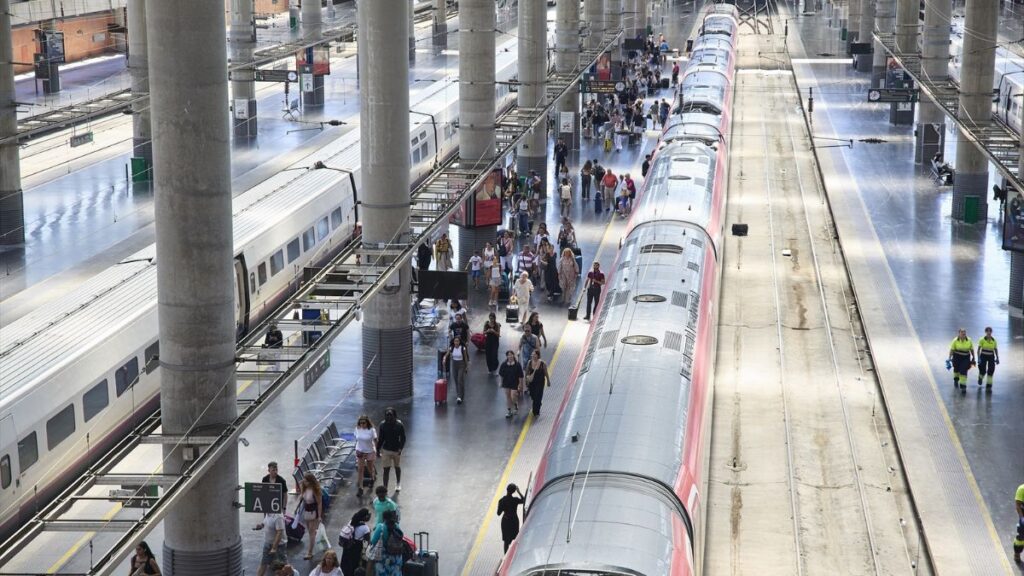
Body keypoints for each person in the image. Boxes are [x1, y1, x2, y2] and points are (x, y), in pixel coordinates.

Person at [377, 408, 406, 492]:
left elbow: (403, 438)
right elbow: (381, 438)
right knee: (386, 469)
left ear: (395, 416)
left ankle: (398, 483)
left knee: (397, 466)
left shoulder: (399, 425)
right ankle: (385, 488)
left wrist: (400, 448)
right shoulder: (382, 425)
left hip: (396, 450)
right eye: (387, 415)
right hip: (386, 450)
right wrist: (378, 449)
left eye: (391, 415)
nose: (389, 417)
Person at [369, 510, 405, 576]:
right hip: (397, 557)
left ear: (384, 518)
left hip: (385, 558)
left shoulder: (381, 527)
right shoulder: (396, 526)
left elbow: (373, 541)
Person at [298, 473, 324, 560]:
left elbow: (319, 503)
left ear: (310, 481)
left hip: (313, 513)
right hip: (306, 512)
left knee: (311, 533)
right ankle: (320, 541)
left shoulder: (315, 490)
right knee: (310, 532)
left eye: (306, 481)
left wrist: (319, 516)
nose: (304, 482)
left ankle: (310, 552)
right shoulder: (304, 488)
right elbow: (301, 498)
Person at [339, 509, 372, 576]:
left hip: (348, 546)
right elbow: (368, 542)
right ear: (365, 517)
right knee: (354, 564)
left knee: (346, 562)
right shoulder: (365, 528)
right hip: (356, 547)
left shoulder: (351, 522)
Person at [256, 510, 286, 576]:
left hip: (279, 546)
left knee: (280, 568)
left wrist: (274, 548)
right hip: (268, 543)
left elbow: (279, 532)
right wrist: (261, 525)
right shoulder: (268, 512)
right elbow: (266, 521)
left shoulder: (278, 515)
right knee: (263, 563)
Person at [496, 484, 525, 552]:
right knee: (514, 539)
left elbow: (498, 513)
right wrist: (519, 492)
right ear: (514, 491)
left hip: (506, 521)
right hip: (514, 521)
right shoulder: (515, 500)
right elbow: (523, 500)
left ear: (507, 489)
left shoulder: (502, 500)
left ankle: (505, 556)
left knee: (506, 540)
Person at [354, 416, 378, 497]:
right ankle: (360, 488)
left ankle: (372, 478)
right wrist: (358, 448)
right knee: (360, 469)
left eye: (363, 423)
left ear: (367, 422)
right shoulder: (357, 429)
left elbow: (375, 440)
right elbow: (357, 439)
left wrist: (377, 450)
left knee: (370, 468)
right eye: (360, 423)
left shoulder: (371, 430)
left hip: (370, 451)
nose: (362, 424)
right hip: (360, 451)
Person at [947, 328, 975, 393]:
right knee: (956, 369)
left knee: (963, 370)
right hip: (957, 356)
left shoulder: (969, 340)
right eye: (962, 332)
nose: (963, 334)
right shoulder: (955, 340)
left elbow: (971, 349)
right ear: (959, 333)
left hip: (965, 357)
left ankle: (963, 386)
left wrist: (973, 357)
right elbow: (952, 350)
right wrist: (949, 358)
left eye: (964, 333)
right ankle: (956, 379)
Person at [499, 350, 525, 418]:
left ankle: (515, 405)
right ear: (507, 356)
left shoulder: (517, 365)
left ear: (513, 355)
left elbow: (520, 376)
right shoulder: (504, 364)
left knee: (513, 396)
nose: (510, 356)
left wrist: (520, 384)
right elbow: (501, 374)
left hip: (514, 382)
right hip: (506, 382)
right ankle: (509, 411)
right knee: (508, 396)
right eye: (508, 355)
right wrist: (501, 382)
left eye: (511, 354)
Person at [445, 335, 470, 404]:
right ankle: (459, 394)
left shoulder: (463, 348)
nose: (456, 342)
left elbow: (465, 358)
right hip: (454, 364)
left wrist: (467, 366)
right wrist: (444, 359)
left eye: (457, 341)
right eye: (455, 341)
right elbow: (446, 354)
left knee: (460, 379)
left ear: (459, 342)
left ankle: (459, 396)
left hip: (461, 364)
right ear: (453, 342)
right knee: (456, 380)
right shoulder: (451, 348)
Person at [525, 349, 550, 417]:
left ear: (538, 355)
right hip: (532, 383)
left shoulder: (542, 364)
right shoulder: (529, 363)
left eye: (535, 354)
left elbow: (545, 372)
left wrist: (548, 380)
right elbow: (527, 372)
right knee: (533, 395)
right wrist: (526, 381)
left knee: (538, 396)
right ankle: (538, 403)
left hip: (540, 382)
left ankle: (536, 412)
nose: (533, 356)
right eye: (533, 354)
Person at [1014, 483, 1024, 562]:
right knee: (1021, 537)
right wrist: (1021, 518)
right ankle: (1017, 553)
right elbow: (1018, 505)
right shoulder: (1021, 489)